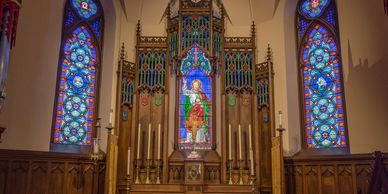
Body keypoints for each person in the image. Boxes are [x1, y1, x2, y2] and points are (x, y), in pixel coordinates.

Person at [181, 78, 210, 144]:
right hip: (192, 112)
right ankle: (189, 139)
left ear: (199, 86)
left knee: (200, 124)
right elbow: (184, 91)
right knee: (190, 125)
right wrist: (185, 83)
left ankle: (200, 139)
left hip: (200, 112)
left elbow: (207, 102)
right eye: (195, 85)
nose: (196, 86)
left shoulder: (202, 94)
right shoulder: (190, 92)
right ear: (192, 86)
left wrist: (202, 104)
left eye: (197, 85)